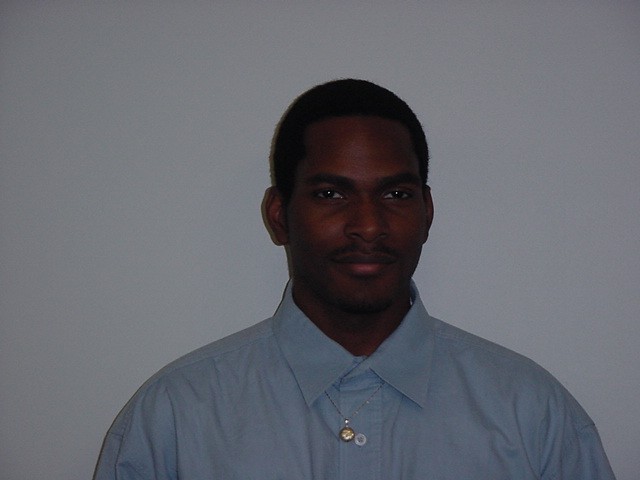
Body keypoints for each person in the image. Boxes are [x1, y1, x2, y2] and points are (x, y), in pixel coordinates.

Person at [93, 79, 615, 479]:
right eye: (330, 194)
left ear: (427, 213)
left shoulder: (532, 413)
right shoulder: (176, 418)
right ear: (279, 215)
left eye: (396, 195)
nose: (368, 225)